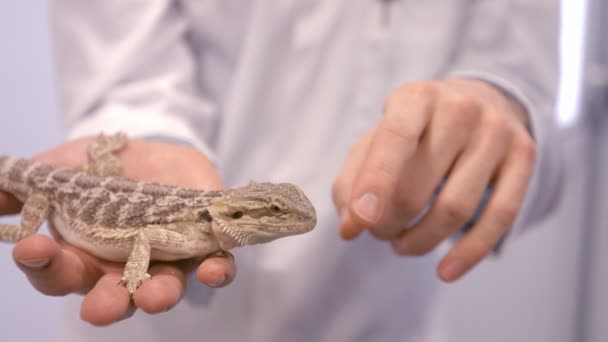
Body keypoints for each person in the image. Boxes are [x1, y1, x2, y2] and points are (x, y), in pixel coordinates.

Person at [0, 1, 561, 341]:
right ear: (240, 212)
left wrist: (502, 107)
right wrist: (145, 143)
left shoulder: (204, 229)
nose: (286, 220)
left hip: (374, 315)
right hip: (156, 329)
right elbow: (123, 66)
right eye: (273, 212)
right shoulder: (191, 228)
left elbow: (528, 73)